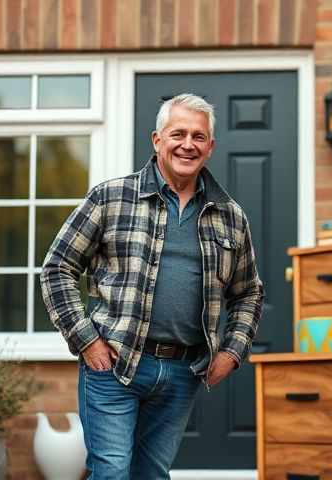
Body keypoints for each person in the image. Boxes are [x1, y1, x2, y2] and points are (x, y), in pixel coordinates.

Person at [40, 93, 264, 479]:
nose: (188, 144)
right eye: (178, 133)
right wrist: (86, 339)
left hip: (182, 371)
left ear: (210, 147)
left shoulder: (230, 216)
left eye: (198, 136)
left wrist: (232, 350)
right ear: (157, 140)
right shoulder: (111, 198)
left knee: (153, 475)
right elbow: (57, 267)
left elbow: (248, 292)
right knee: (111, 473)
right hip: (114, 362)